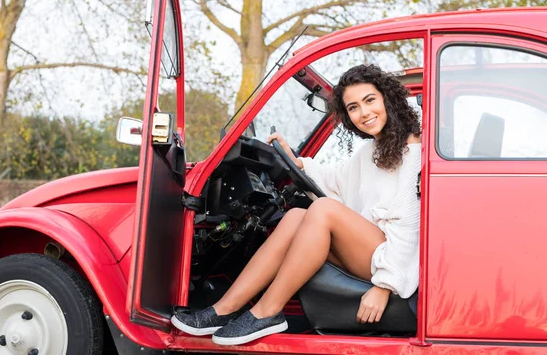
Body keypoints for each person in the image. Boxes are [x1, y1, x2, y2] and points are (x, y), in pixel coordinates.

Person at [171, 64, 422, 346]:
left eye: (370, 100)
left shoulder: (411, 149)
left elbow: (411, 227)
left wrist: (384, 286)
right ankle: (224, 308)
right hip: (369, 249)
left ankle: (268, 311)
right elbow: (338, 181)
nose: (364, 113)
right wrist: (297, 161)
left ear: (386, 99)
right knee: (295, 217)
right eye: (353, 107)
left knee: (323, 210)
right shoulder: (373, 150)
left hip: (389, 258)